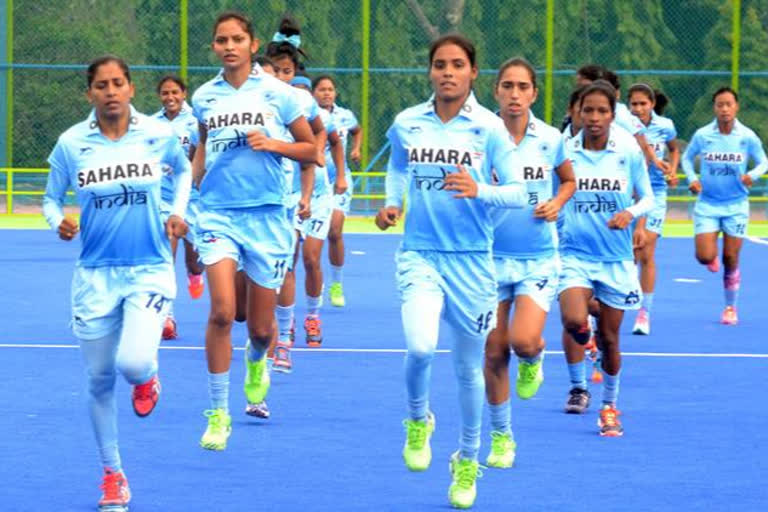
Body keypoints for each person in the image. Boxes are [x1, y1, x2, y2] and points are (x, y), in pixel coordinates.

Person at [377, 33, 526, 509]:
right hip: (419, 253)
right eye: (439, 64)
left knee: (468, 369)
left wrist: (479, 189)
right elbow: (398, 167)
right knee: (420, 347)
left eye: (457, 64)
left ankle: (466, 458)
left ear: (472, 73)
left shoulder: (489, 128)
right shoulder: (407, 123)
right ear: (430, 71)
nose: (447, 72)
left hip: (472, 263)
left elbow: (521, 193)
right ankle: (418, 420)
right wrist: (391, 203)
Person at [43, 55, 191, 511]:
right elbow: (50, 199)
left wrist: (176, 211)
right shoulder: (72, 144)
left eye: (118, 83)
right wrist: (58, 223)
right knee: (98, 380)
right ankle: (113, 475)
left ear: (131, 89)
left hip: (147, 266)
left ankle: (147, 377)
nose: (110, 91)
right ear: (90, 93)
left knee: (132, 362)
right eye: (101, 85)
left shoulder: (157, 134)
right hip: (94, 276)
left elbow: (183, 171)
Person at [191, 11, 315, 450]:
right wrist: (190, 191)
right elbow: (203, 145)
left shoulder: (278, 94)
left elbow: (311, 150)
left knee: (261, 330)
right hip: (218, 215)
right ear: (214, 47)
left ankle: (257, 359)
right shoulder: (204, 97)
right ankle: (218, 412)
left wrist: (274, 143)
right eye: (221, 39)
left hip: (266, 218)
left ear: (251, 43)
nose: (229, 46)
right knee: (224, 311)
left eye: (237, 39)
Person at [483, 57, 575, 469]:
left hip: (537, 258)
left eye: (522, 87)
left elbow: (569, 179)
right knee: (494, 351)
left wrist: (556, 201)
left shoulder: (551, 137)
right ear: (496, 91)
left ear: (534, 93)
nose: (515, 94)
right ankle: (502, 437)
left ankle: (535, 359)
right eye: (507, 86)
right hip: (487, 258)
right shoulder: (481, 135)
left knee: (522, 342)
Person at [558, 81, 653, 437]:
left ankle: (609, 407)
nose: (594, 117)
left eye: (602, 111)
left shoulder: (627, 149)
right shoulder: (564, 151)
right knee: (571, 319)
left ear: (613, 115)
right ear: (577, 113)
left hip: (615, 258)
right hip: (573, 254)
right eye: (588, 110)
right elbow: (553, 194)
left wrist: (630, 213)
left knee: (612, 339)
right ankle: (582, 364)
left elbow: (648, 197)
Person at [682, 87, 767, 324]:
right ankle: (711, 258)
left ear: (736, 107)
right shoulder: (703, 135)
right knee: (703, 255)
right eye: (720, 104)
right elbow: (687, 159)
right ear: (715, 108)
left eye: (729, 104)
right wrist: (693, 179)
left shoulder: (747, 136)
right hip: (708, 204)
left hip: (736, 205)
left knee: (731, 257)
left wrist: (753, 175)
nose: (725, 109)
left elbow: (763, 162)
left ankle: (730, 307)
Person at [154, 75, 205, 340]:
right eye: (165, 93)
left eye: (175, 92)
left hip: (194, 199)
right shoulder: (152, 125)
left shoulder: (197, 120)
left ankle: (195, 274)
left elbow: (202, 152)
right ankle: (167, 316)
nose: (170, 97)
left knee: (195, 259)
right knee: (165, 254)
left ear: (184, 93)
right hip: (164, 199)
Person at [627, 84, 679, 335]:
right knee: (629, 255)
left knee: (645, 248)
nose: (638, 109)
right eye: (633, 104)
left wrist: (672, 170)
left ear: (652, 104)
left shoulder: (665, 126)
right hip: (627, 194)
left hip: (655, 194)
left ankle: (643, 313)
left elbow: (674, 149)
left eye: (642, 104)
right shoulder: (622, 126)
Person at [312, 74, 363, 307]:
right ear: (313, 93)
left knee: (334, 231)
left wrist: (356, 149)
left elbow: (357, 130)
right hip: (312, 180)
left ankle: (336, 283)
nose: (327, 93)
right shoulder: (308, 116)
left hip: (339, 179)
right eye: (322, 89)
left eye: (330, 89)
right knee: (312, 238)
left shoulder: (344, 116)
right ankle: (315, 282)